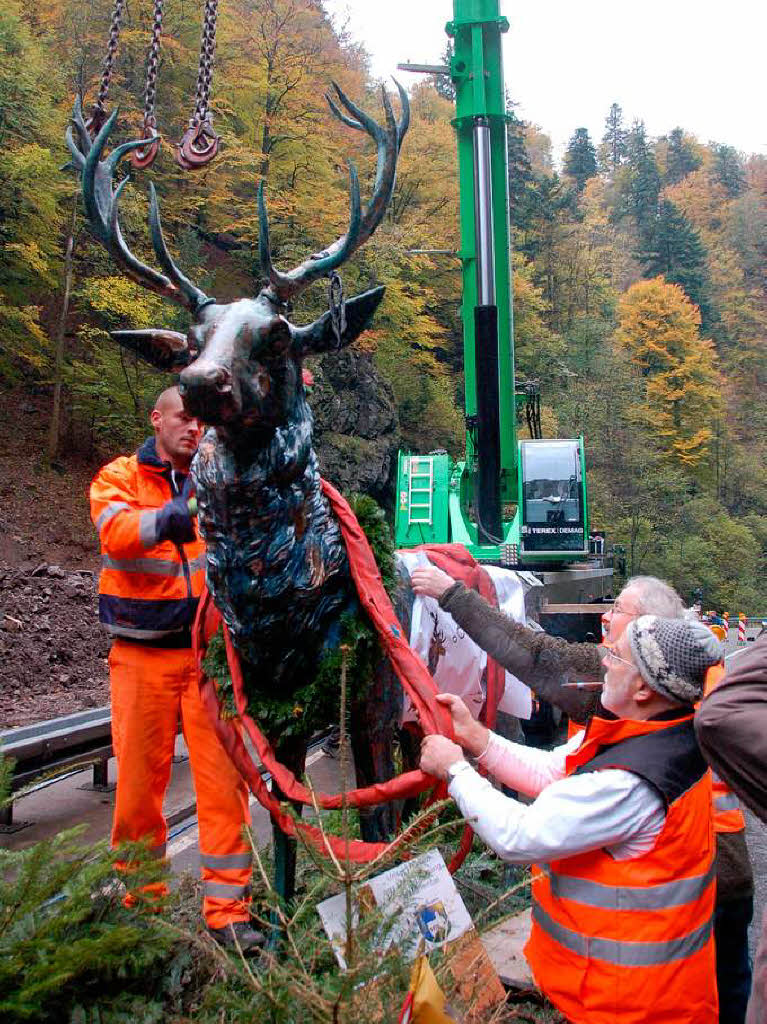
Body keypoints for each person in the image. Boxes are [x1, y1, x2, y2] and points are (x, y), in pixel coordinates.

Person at [411, 567, 754, 1024]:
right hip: (639, 979)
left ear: (644, 687)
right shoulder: (657, 727)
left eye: (614, 654)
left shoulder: (631, 780)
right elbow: (554, 768)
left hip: (630, 1006)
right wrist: (478, 739)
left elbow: (520, 835)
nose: (602, 658)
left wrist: (454, 770)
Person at [90, 386, 261, 951]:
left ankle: (229, 912)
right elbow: (116, 536)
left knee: (224, 787)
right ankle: (141, 908)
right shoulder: (118, 477)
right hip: (142, 658)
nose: (194, 428)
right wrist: (172, 517)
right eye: (183, 419)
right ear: (156, 419)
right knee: (139, 790)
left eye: (201, 421)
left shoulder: (220, 477)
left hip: (210, 659)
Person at [696, 634, 767, 1024]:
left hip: (716, 861)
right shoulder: (718, 679)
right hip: (728, 860)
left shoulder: (696, 698)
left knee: (724, 978)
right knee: (733, 976)